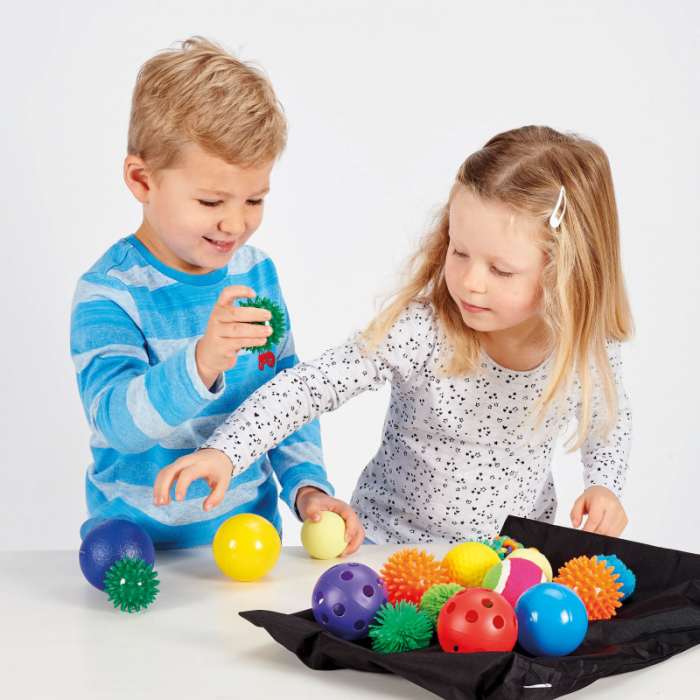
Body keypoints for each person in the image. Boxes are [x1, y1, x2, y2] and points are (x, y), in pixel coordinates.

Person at [154, 125, 633, 546]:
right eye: (459, 252)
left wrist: (604, 485)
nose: (471, 282)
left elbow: (608, 419)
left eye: (501, 270)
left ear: (567, 275)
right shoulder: (422, 331)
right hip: (390, 551)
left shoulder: (584, 351)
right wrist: (226, 451)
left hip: (504, 564)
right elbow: (310, 386)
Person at [71, 37, 362, 551]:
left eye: (254, 199)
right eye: (210, 201)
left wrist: (307, 487)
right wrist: (201, 363)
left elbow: (284, 395)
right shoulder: (109, 292)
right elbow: (117, 424)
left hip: (248, 541)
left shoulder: (256, 273)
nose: (235, 223)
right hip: (136, 546)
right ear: (142, 180)